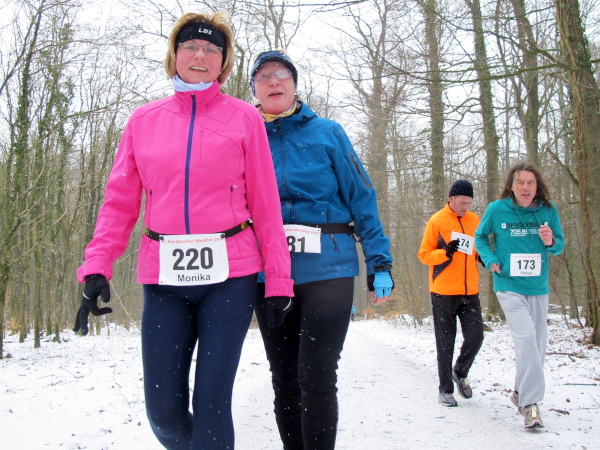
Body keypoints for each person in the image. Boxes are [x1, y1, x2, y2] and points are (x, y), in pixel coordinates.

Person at [75, 13, 293, 449]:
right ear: (174, 55)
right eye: (191, 46)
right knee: (165, 415)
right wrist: (97, 263)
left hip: (230, 276)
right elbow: (119, 202)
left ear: (223, 63)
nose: (200, 55)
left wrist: (278, 280)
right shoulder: (143, 120)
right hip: (164, 278)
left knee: (212, 404)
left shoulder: (243, 118)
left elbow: (266, 205)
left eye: (212, 49)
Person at [249, 50, 394, 450]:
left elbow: (361, 196)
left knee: (317, 375)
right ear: (254, 89)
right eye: (263, 76)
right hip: (267, 272)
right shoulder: (246, 135)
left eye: (281, 74)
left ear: (295, 84)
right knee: (284, 379)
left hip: (329, 267)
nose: (273, 81)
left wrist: (379, 261)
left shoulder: (328, 133)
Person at [475, 161, 564, 429]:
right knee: (525, 338)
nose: (525, 188)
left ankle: (519, 391)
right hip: (508, 284)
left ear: (537, 186)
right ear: (511, 186)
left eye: (530, 183)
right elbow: (480, 237)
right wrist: (490, 259)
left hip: (537, 286)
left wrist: (550, 241)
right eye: (520, 183)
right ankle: (531, 404)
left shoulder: (548, 210)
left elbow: (558, 246)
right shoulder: (497, 209)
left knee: (537, 344)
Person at [417, 180, 484, 407]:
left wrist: (483, 258)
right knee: (445, 342)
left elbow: (477, 250)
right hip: (443, 291)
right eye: (462, 202)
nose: (466, 207)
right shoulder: (437, 221)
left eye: (469, 203)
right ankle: (445, 390)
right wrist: (445, 253)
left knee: (476, 337)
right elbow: (424, 255)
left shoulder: (475, 220)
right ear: (451, 199)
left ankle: (460, 371)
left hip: (470, 291)